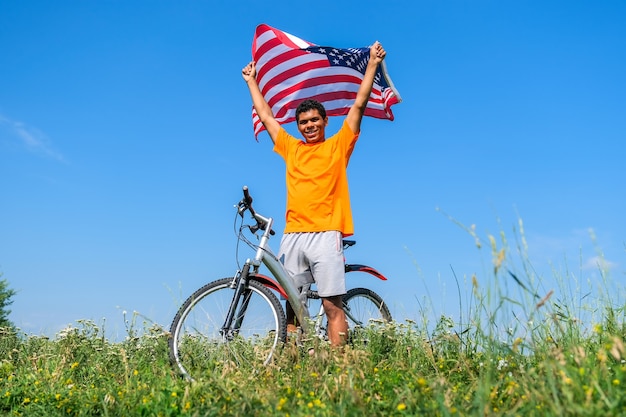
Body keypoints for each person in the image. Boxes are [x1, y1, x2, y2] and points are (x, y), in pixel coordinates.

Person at [241, 41, 387, 347]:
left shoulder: (338, 145)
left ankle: (342, 370)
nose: (309, 126)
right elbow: (267, 117)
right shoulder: (291, 148)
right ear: (298, 126)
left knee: (332, 305)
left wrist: (372, 64)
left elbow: (358, 105)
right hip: (294, 234)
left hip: (326, 233)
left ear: (324, 122)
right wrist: (252, 81)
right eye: (303, 122)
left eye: (314, 121)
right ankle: (294, 366)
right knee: (292, 308)